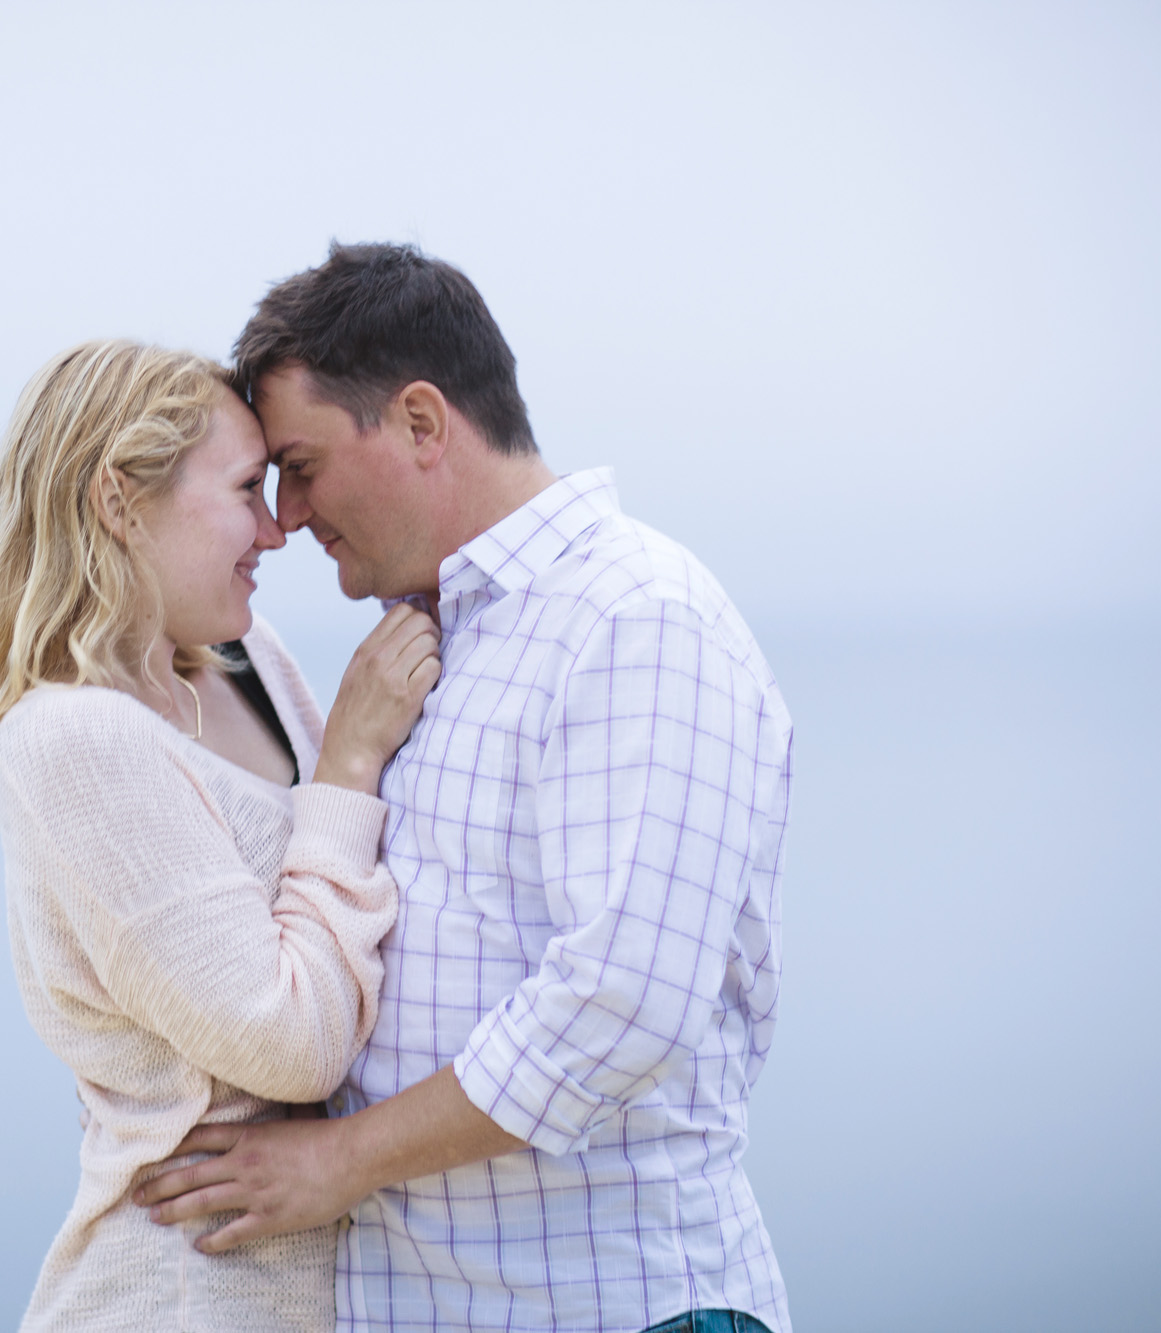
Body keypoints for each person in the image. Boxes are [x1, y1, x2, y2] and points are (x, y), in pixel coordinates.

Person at [134, 244, 795, 1333]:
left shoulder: (634, 614)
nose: (286, 516)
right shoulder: (428, 641)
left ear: (421, 423)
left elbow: (619, 1003)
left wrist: (332, 1162)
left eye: (298, 464)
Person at [0, 339, 442, 1331]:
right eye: (241, 489)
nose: (275, 529)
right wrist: (348, 765)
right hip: (186, 1292)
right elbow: (290, 1043)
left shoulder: (241, 655)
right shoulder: (72, 738)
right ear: (117, 504)